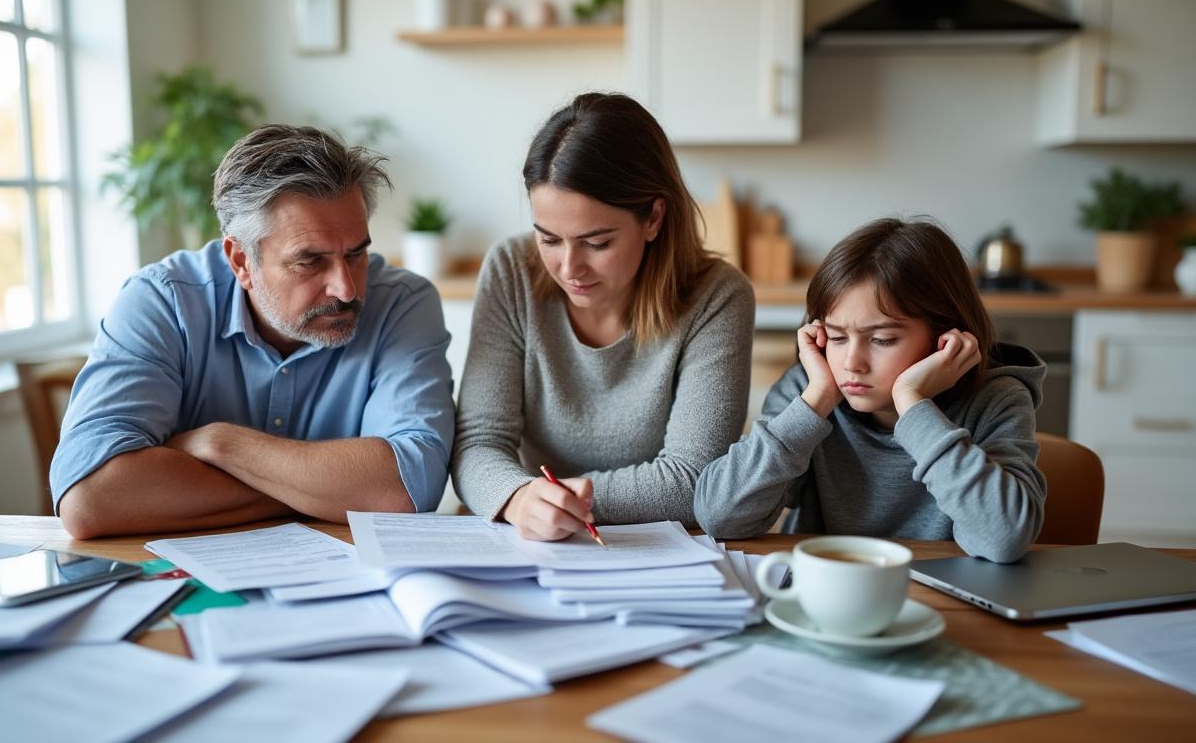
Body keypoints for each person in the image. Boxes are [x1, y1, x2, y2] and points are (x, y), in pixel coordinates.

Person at [52, 125, 455, 539]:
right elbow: (90, 497)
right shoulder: (162, 302)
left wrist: (221, 445)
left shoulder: (404, 303)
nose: (347, 288)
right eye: (309, 262)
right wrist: (326, 492)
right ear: (241, 260)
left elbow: (409, 485)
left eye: (356, 254)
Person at [452, 92, 755, 541]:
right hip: (529, 538)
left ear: (653, 217)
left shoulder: (718, 296)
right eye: (549, 239)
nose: (569, 269)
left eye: (596, 243)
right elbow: (477, 442)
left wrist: (562, 502)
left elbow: (696, 478)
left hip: (655, 548)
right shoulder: (510, 271)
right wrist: (518, 498)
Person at [694, 217, 1046, 563]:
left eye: (882, 340)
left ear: (944, 338)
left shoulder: (997, 399)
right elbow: (719, 516)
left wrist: (912, 402)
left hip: (944, 601)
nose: (852, 363)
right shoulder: (811, 390)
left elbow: (1004, 538)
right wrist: (816, 402)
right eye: (836, 337)